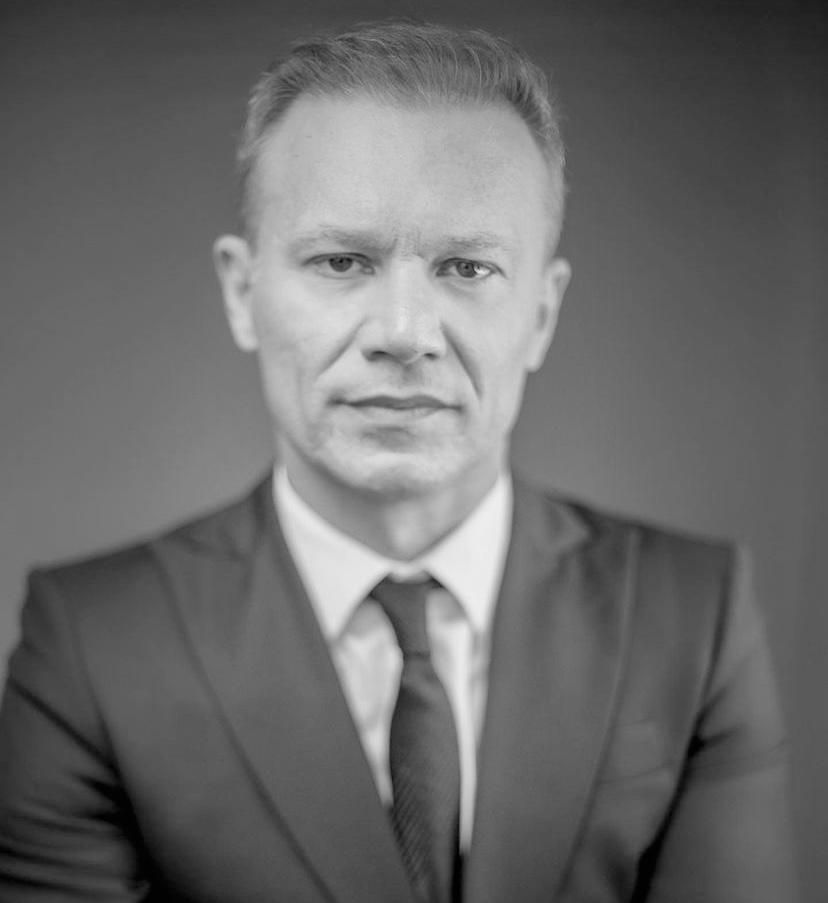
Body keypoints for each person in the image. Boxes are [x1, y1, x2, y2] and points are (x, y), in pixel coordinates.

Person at [0, 20, 796, 903]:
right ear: (242, 292)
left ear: (541, 313)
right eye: (342, 260)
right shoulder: (92, 645)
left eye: (467, 267)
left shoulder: (695, 616)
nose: (405, 333)